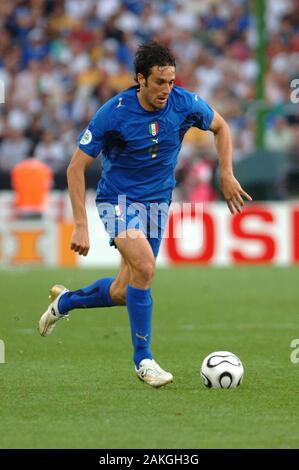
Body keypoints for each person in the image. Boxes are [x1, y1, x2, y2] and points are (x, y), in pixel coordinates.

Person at [38, 42, 252, 387]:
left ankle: (66, 301)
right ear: (140, 79)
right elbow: (75, 168)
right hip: (117, 201)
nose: (166, 89)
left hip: (157, 204)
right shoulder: (114, 112)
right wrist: (81, 225)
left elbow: (221, 127)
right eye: (158, 82)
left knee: (125, 290)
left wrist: (226, 173)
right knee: (147, 267)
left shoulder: (184, 103)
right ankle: (144, 360)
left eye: (170, 81)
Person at [11, 153, 53, 219]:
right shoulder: (44, 168)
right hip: (40, 205)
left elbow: (15, 185)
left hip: (23, 205)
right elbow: (48, 186)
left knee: (24, 228)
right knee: (39, 228)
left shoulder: (18, 168)